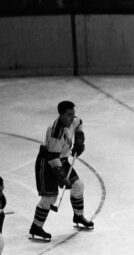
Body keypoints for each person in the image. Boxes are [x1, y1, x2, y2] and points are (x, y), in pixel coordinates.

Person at [30, 100, 93, 241]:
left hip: (61, 160)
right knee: (50, 198)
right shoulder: (56, 132)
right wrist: (62, 177)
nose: (72, 118)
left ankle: (78, 215)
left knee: (78, 185)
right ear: (61, 115)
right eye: (69, 115)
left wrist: (79, 140)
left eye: (73, 114)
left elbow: (80, 123)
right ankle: (36, 226)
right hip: (47, 163)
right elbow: (52, 158)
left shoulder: (73, 121)